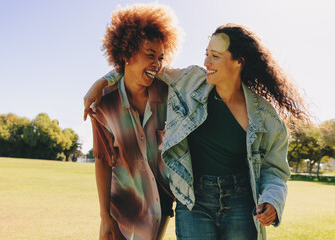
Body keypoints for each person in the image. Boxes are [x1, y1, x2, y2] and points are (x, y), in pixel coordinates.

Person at [85, 24, 309, 239]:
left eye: (215, 56)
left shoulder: (266, 117)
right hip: (193, 199)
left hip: (241, 202)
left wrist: (272, 201)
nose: (206, 62)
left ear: (238, 62)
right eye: (206, 54)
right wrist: (102, 82)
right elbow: (141, 67)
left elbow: (275, 169)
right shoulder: (191, 81)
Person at [86, 3, 180, 240]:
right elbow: (103, 161)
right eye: (150, 56)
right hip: (122, 207)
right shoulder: (104, 104)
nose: (157, 64)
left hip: (161, 204)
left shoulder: (168, 95)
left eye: (160, 57)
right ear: (127, 54)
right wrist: (104, 216)